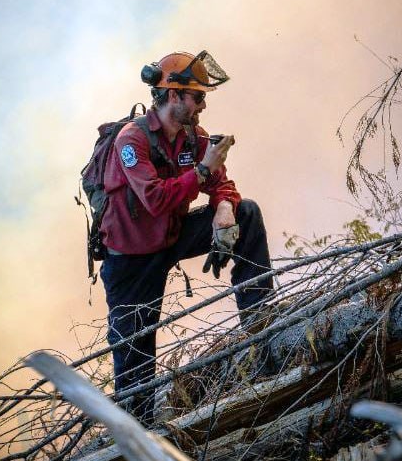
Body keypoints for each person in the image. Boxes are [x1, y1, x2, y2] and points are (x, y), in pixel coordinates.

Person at [99, 50, 273, 423]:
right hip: (132, 259)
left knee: (247, 213)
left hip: (171, 237)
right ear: (173, 95)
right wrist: (204, 169)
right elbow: (156, 200)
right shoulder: (131, 142)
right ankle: (139, 434)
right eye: (198, 96)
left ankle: (263, 331)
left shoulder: (196, 137)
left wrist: (225, 207)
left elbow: (222, 184)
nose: (204, 106)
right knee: (134, 358)